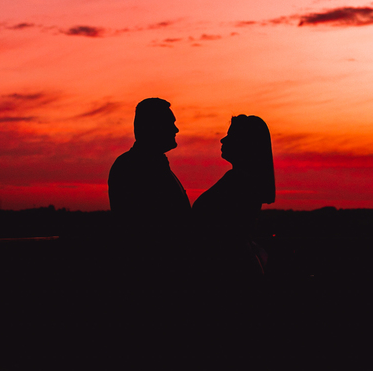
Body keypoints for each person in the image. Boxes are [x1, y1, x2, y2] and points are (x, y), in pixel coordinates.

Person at [192, 114, 275, 277]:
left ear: (245, 143)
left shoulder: (238, 182)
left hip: (228, 272)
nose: (222, 140)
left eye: (230, 136)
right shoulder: (243, 181)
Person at [108, 98, 191, 232]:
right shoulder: (131, 167)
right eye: (170, 124)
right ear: (153, 127)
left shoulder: (153, 164)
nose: (176, 129)